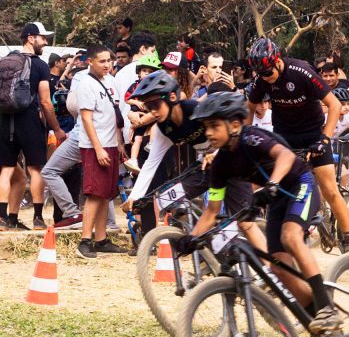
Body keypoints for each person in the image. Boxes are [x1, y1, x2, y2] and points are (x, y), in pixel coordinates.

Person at [177, 92, 341, 333]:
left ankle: (328, 308)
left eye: (213, 126)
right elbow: (211, 211)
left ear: (234, 124)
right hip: (275, 198)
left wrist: (273, 183)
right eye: (205, 127)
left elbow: (285, 155)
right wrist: (192, 238)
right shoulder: (220, 164)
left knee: (291, 236)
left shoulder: (251, 138)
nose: (208, 133)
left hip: (299, 183)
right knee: (278, 266)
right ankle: (317, 318)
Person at [246, 37, 349, 253]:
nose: (266, 79)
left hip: (313, 134)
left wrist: (324, 139)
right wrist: (245, 138)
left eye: (268, 73)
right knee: (274, 185)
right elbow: (249, 109)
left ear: (278, 61)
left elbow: (334, 105)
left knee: (329, 189)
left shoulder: (302, 71)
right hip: (284, 138)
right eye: (261, 75)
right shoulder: (262, 79)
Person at [123, 72, 252, 241]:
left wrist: (215, 153)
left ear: (172, 96)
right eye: (148, 107)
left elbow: (230, 133)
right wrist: (134, 197)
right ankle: (202, 236)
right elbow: (150, 165)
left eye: (155, 104)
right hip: (207, 167)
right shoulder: (165, 128)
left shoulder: (195, 109)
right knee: (167, 197)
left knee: (243, 222)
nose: (152, 112)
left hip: (233, 162)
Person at [0, 22, 65, 230]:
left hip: (4, 120)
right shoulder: (40, 65)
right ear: (30, 38)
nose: (45, 42)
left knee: (6, 170)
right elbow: (46, 102)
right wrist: (56, 128)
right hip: (29, 120)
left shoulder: (4, 61)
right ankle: (38, 218)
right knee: (35, 169)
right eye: (42, 38)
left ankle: (3, 218)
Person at [75, 45, 127, 258]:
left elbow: (114, 115)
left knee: (106, 194)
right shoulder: (86, 84)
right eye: (102, 61)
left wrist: (119, 143)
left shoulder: (111, 81)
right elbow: (87, 118)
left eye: (109, 60)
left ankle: (101, 239)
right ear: (90, 62)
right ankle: (85, 240)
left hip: (111, 144)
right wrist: (98, 148)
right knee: (95, 193)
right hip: (94, 145)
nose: (107, 65)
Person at [123, 52, 162, 173]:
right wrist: (136, 103)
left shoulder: (158, 87)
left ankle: (151, 144)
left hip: (150, 117)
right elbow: (127, 98)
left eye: (151, 72)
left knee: (156, 125)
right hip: (138, 114)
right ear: (139, 72)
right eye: (145, 71)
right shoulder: (135, 86)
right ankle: (133, 160)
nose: (147, 74)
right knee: (137, 139)